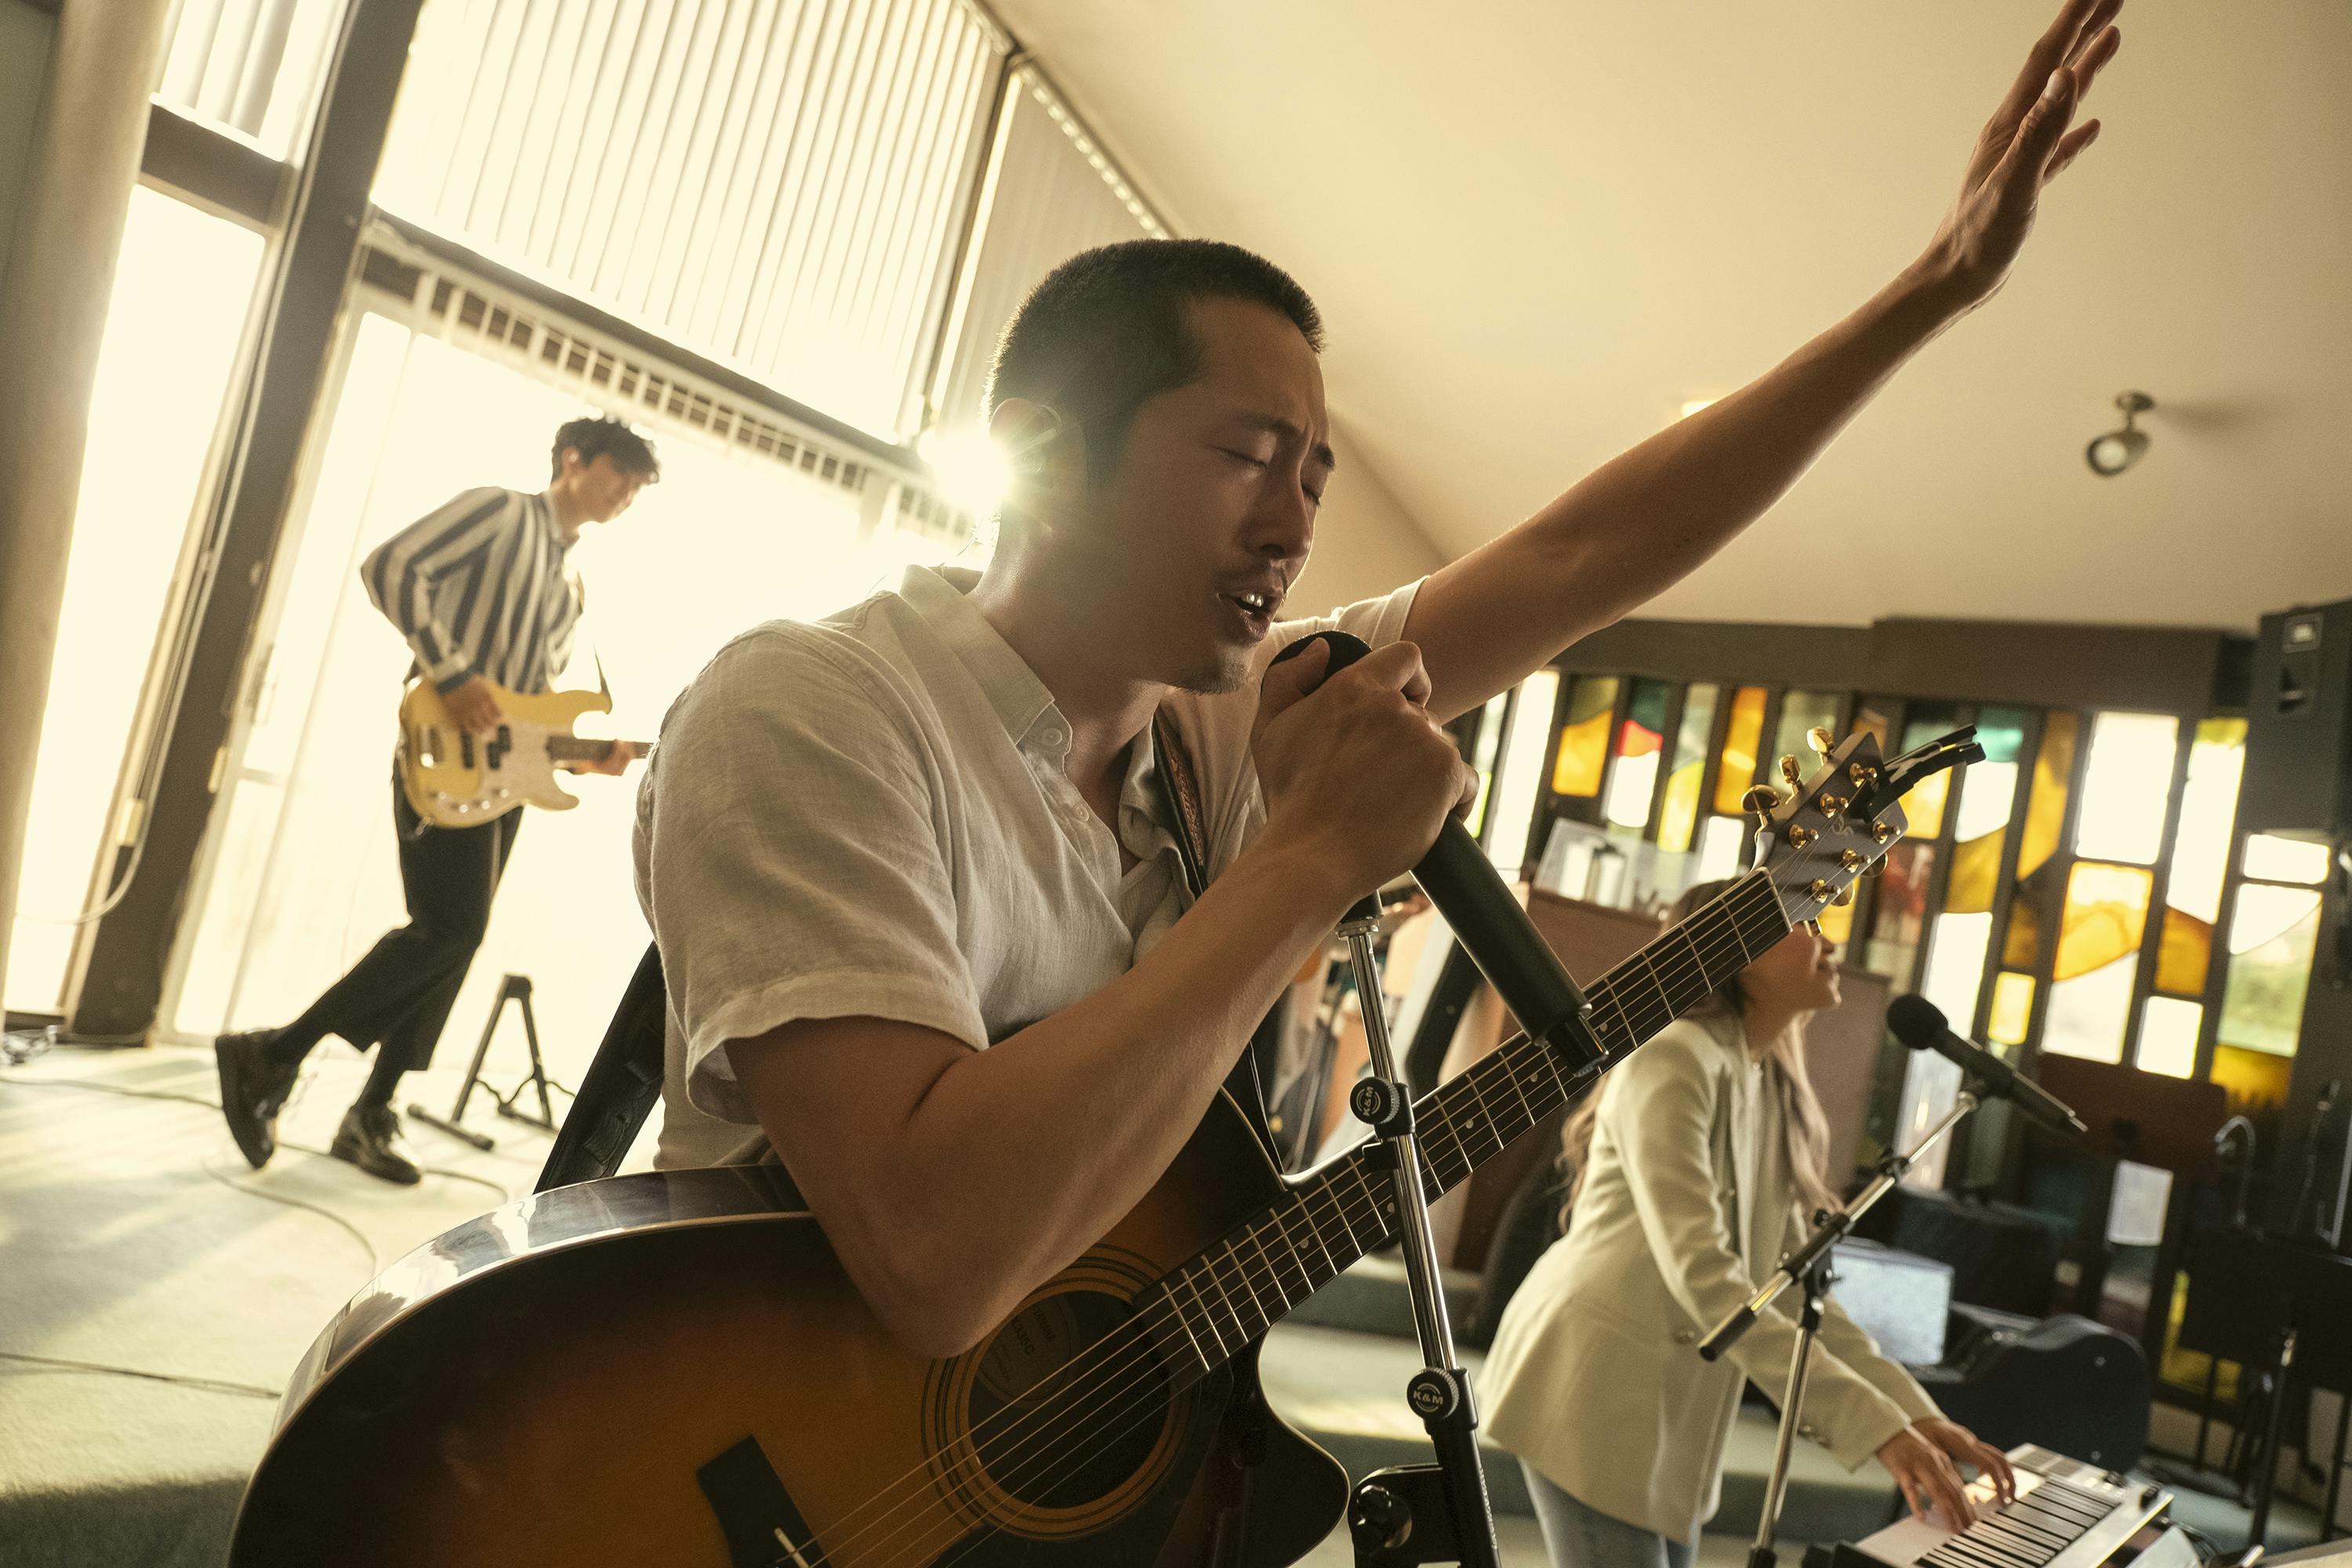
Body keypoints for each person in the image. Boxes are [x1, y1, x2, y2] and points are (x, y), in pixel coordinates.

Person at [637, 0, 2120, 1378]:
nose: (1293, 526)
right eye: (1244, 456)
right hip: (726, 1454)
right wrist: (1308, 861)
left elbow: (1581, 554)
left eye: (1319, 475)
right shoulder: (811, 712)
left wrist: (1932, 294)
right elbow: (934, 1255)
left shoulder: (1217, 729)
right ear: (1038, 447)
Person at [1480, 884, 2014, 1568]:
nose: (1830, 941)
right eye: (1805, 922)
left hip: (1663, 1411)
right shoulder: (1673, 1059)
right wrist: (1879, 1432)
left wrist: (1913, 1414)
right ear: (1737, 950)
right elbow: (1708, 1282)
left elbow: (1790, 1288)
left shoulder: (1757, 1077)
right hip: (1593, 1388)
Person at [212, 416, 656, 1184]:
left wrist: (584, 755)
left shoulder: (571, 584)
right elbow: (391, 566)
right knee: (451, 925)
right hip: (438, 757)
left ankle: (371, 1109)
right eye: (621, 475)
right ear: (572, 460)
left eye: (636, 488)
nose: (626, 495)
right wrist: (452, 671)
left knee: (455, 936)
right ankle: (272, 1053)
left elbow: (524, 709)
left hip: (499, 781)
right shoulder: (499, 511)